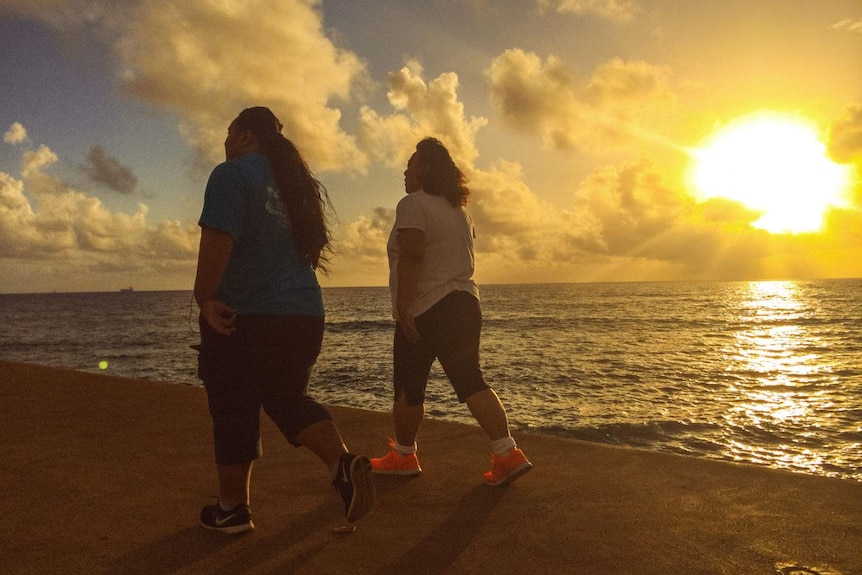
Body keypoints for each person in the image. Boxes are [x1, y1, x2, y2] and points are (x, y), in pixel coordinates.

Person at [194, 106, 374, 533]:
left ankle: (233, 509)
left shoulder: (230, 174)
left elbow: (219, 235)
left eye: (227, 132)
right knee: (284, 396)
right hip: (304, 316)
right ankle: (342, 464)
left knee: (234, 406)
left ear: (243, 136)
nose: (224, 142)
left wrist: (204, 297)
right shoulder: (295, 187)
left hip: (248, 315)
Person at [370, 137, 532, 486]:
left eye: (410, 165)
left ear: (424, 170)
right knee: (470, 379)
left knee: (408, 388)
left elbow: (412, 253)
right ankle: (508, 452)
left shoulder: (413, 204)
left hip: (429, 305)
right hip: (464, 303)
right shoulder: (459, 210)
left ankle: (403, 455)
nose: (404, 171)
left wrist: (404, 307)